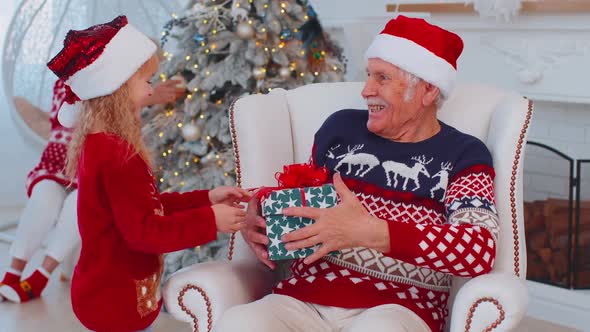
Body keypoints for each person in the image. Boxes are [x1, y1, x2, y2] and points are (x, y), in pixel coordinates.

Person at [215, 15, 499, 332]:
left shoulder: (464, 154)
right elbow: (306, 196)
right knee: (238, 322)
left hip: (399, 308)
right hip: (303, 299)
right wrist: (262, 211)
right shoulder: (341, 128)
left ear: (428, 90)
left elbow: (478, 249)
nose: (366, 90)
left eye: (383, 78)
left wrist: (371, 231)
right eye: (368, 75)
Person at [37, 15, 247, 331]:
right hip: (114, 302)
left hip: (117, 295)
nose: (151, 90)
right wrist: (210, 220)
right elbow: (144, 232)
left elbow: (146, 206)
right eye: (145, 80)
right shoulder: (114, 153)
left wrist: (205, 199)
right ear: (117, 88)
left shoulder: (107, 144)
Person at [0, 47, 187, 304]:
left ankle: (42, 274)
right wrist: (140, 99)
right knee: (43, 199)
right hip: (58, 162)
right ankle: (13, 271)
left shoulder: (125, 97)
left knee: (78, 208)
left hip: (92, 167)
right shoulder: (76, 87)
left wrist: (142, 96)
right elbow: (77, 111)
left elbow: (122, 134)